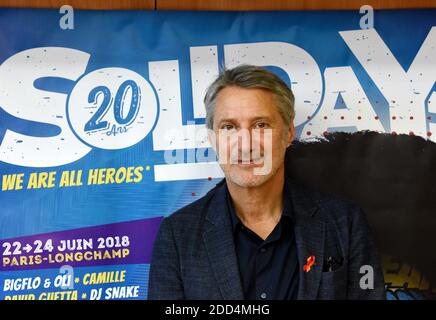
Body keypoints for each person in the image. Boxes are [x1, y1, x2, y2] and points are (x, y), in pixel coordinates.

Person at [148, 64, 385, 300]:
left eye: (260, 125)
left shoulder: (345, 222)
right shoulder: (177, 236)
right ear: (213, 139)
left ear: (289, 133)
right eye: (229, 127)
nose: (245, 145)